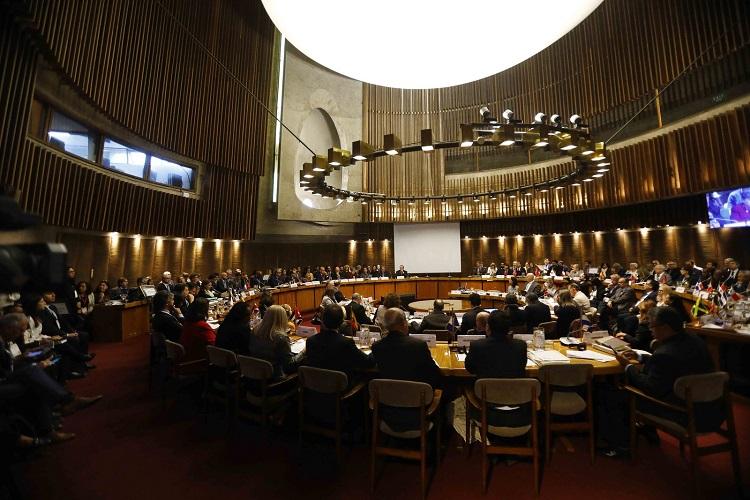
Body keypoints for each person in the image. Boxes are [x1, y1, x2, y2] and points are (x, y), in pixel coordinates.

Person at [601, 307, 717, 456]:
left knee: (612, 394)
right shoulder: (695, 340)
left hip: (682, 413)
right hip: (711, 408)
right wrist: (640, 357)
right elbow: (671, 366)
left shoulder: (665, 353)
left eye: (652, 326)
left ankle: (622, 446)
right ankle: (648, 432)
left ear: (666, 327)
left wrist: (628, 366)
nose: (650, 330)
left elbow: (650, 388)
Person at [0, 314, 102, 444]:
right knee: (32, 371)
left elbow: (7, 363)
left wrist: (20, 358)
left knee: (34, 375)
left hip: (7, 376)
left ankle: (49, 429)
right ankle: (66, 401)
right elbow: (4, 371)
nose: (22, 334)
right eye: (20, 330)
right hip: (3, 381)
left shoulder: (4, 340)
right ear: (8, 328)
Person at [370, 308, 441, 388]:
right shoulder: (418, 345)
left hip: (387, 395)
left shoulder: (377, 346)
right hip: (416, 397)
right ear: (404, 323)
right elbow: (435, 373)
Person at [304, 304, 373, 381]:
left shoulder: (310, 341)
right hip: (341, 389)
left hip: (315, 386)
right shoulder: (346, 343)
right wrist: (375, 348)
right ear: (341, 322)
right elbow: (367, 362)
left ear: (322, 320)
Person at [465, 309, 527, 379]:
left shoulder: (477, 345)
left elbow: (470, 369)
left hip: (485, 389)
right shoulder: (521, 345)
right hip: (515, 389)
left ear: (488, 327)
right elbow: (522, 366)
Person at [247, 305, 300, 379]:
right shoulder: (280, 338)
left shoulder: (254, 331)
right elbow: (290, 365)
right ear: (283, 319)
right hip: (275, 379)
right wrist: (303, 352)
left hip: (254, 374)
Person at [179, 298, 215, 362]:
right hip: (198, 360)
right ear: (204, 310)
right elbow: (214, 344)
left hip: (187, 356)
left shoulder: (187, 322)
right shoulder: (201, 326)